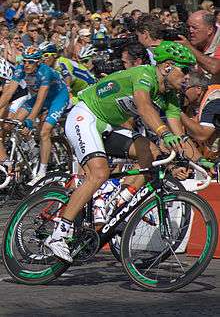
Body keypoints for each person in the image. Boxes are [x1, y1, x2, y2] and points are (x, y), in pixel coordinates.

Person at [45, 41, 197, 262]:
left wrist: (198, 161)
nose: (187, 77)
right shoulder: (144, 74)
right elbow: (144, 107)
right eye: (184, 71)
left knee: (151, 153)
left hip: (107, 125)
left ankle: (115, 204)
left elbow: (178, 132)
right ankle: (59, 234)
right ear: (167, 67)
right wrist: (164, 133)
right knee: (99, 173)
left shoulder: (171, 94)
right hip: (85, 116)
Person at [0, 46, 69, 184]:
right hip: (38, 97)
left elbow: (40, 100)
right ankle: (30, 147)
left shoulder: (45, 72)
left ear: (38, 62)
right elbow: (8, 93)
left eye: (30, 62)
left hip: (57, 98)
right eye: (25, 61)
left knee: (44, 132)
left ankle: (42, 172)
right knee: (10, 124)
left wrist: (31, 119)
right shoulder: (20, 69)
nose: (26, 64)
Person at [181, 71, 220, 160]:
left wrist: (176, 111)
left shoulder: (215, 100)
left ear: (198, 89)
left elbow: (202, 135)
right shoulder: (193, 102)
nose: (180, 92)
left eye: (184, 88)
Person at [178, 10, 220, 82]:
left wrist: (189, 48)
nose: (190, 31)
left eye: (195, 28)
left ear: (210, 30)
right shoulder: (194, 41)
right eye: (188, 27)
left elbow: (215, 67)